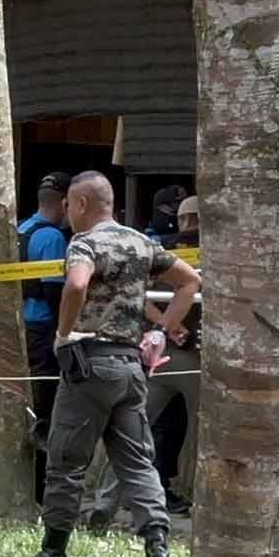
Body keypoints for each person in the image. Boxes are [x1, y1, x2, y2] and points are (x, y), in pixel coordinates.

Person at [30, 171, 201, 557]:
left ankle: (53, 551)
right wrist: (159, 333)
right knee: (137, 460)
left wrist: (65, 333)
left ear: (83, 204)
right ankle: (157, 547)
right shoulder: (142, 242)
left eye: (69, 205)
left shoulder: (85, 242)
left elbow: (75, 285)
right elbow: (190, 281)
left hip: (89, 361)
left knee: (67, 458)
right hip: (131, 366)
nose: (67, 213)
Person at [87, 194, 201, 526]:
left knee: (131, 430)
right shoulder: (218, 251)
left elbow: (133, 293)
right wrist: (173, 325)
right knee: (209, 434)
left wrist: (162, 325)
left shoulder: (160, 248)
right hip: (196, 357)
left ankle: (104, 503)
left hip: (158, 353)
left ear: (181, 218)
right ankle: (210, 506)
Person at [18, 172, 72, 504]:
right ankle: (43, 490)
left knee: (25, 403)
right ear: (65, 203)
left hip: (19, 328)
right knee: (46, 409)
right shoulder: (52, 237)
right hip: (42, 331)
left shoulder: (21, 229)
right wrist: (64, 333)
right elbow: (55, 291)